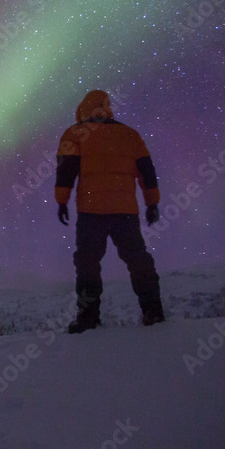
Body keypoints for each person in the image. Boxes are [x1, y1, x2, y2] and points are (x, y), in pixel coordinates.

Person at [54, 89, 165, 332]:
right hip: (125, 212)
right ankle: (153, 312)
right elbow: (147, 171)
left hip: (90, 212)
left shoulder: (75, 134)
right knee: (138, 260)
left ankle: (88, 318)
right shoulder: (130, 135)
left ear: (83, 109)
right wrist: (152, 203)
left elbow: (66, 171)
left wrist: (61, 201)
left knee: (87, 264)